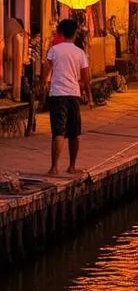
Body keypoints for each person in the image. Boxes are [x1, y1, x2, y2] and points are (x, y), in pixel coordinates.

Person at [42, 18, 91, 175]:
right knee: (74, 132)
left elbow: (47, 67)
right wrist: (87, 93)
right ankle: (71, 166)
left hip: (57, 94)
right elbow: (85, 77)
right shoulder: (80, 53)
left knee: (58, 132)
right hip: (73, 94)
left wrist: (44, 83)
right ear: (75, 34)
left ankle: (54, 167)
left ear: (60, 33)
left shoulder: (54, 50)